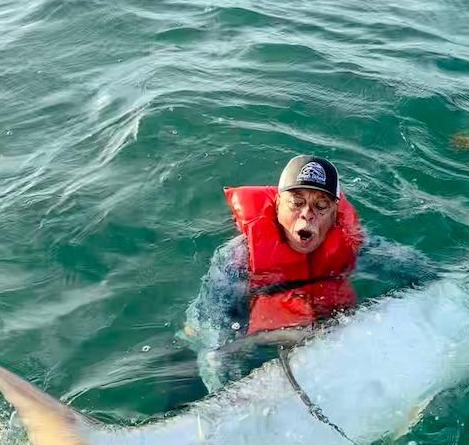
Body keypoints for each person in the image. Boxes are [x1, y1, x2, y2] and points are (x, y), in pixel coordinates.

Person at [182, 154, 436, 392]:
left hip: (334, 341)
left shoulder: (357, 246)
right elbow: (212, 339)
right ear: (278, 203)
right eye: (297, 202)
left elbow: (426, 277)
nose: (307, 214)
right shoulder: (238, 259)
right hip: (263, 347)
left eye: (321, 205)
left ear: (335, 214)